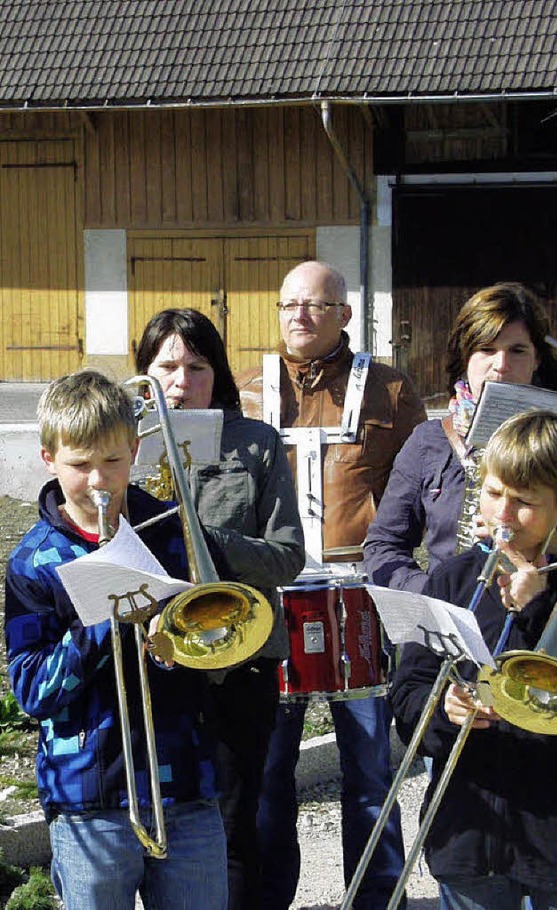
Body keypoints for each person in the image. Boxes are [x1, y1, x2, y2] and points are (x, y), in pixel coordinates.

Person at [390, 409, 557, 909]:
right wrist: (444, 709)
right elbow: (409, 690)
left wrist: (538, 607)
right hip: (468, 834)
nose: (503, 514)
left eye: (524, 502)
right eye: (494, 493)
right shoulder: (451, 580)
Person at [238, 259, 426, 909]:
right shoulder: (246, 392)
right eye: (290, 303)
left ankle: (378, 898)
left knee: (372, 772)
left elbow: (421, 492)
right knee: (268, 772)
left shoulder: (393, 393)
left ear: (344, 314)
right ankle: (266, 898)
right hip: (271, 601)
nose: (300, 315)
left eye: (315, 305)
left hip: (358, 599)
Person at [4, 370, 228, 910]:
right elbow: (33, 689)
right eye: (80, 465)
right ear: (49, 458)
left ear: (134, 449)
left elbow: (214, 638)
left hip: (186, 784)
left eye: (113, 461)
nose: (99, 482)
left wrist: (178, 644)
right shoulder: (33, 562)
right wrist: (108, 623)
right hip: (89, 796)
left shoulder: (171, 529)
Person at [135, 308, 305, 910]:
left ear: (219, 373)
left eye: (197, 366)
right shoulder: (122, 442)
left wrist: (206, 543)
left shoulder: (256, 443)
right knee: (163, 815)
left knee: (236, 816)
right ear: (145, 371)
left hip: (243, 657)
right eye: (167, 366)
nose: (181, 381)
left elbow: (287, 558)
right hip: (153, 655)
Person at [364, 281, 557, 590]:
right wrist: (433, 596)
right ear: (465, 357)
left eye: (517, 351)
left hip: (551, 609)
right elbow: (384, 544)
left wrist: (555, 549)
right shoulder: (431, 441)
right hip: (456, 617)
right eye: (486, 349)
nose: (501, 365)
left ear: (537, 358)